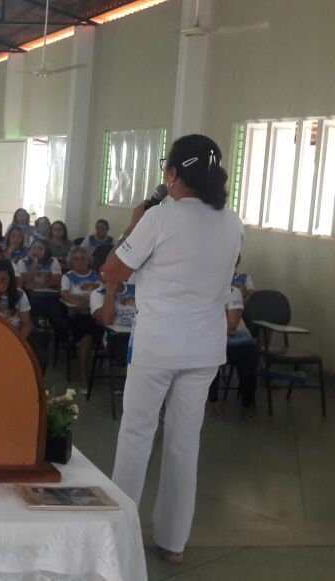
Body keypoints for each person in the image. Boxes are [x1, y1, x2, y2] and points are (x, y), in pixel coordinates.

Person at [101, 134, 243, 563]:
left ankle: (121, 538)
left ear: (173, 174)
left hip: (158, 344)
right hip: (205, 347)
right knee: (185, 442)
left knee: (137, 436)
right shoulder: (232, 221)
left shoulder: (159, 218)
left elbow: (112, 271)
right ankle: (173, 542)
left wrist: (132, 226)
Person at [206, 285, 258, 420]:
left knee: (247, 356)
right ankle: (213, 401)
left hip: (239, 342)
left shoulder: (232, 292)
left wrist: (207, 322)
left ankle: (247, 405)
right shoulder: (200, 289)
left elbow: (232, 324)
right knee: (209, 354)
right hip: (212, 339)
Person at [0, 259, 48, 371]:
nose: (0, 283)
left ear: (10, 278)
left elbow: (26, 324)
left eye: (3, 279)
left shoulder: (20, 294)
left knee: (40, 358)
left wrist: (18, 341)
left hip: (16, 334)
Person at [60, 247, 102, 390]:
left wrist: (90, 305)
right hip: (76, 315)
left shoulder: (96, 276)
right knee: (87, 334)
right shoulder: (68, 277)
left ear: (89, 261)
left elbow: (103, 293)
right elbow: (64, 294)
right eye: (76, 258)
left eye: (83, 258)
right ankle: (84, 376)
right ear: (71, 261)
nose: (80, 261)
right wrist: (80, 303)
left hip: (95, 313)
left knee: (92, 328)